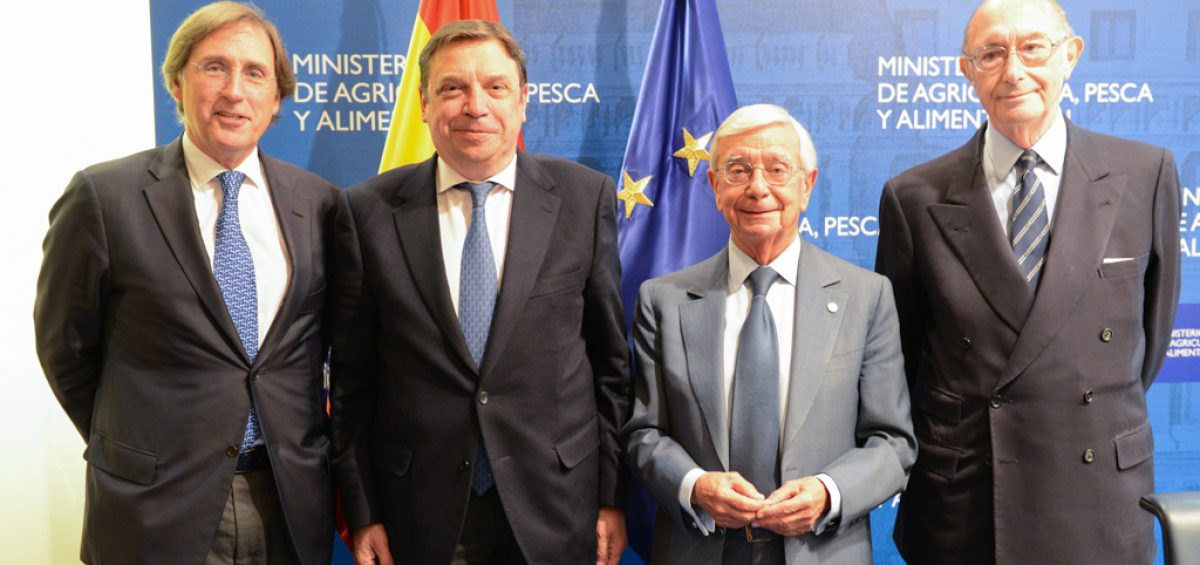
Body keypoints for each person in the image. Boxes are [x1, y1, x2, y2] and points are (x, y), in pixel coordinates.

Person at [875, 1, 1181, 563]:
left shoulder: (1146, 174)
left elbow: (1151, 337)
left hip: (1100, 500)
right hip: (966, 506)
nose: (1013, 71)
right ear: (968, 72)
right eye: (992, 54)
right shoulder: (913, 197)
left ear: (1071, 55)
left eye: (1033, 48)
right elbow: (903, 359)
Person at [33, 2, 339, 564]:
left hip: (289, 504)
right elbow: (66, 351)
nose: (234, 91)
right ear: (177, 82)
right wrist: (135, 448)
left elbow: (326, 349)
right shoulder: (104, 198)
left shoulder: (319, 203)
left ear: (277, 97)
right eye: (214, 67)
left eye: (255, 73)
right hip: (153, 509)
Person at [330, 19, 630, 565]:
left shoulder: (584, 199)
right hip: (418, 512)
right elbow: (352, 382)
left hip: (557, 504)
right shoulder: (367, 211)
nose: (475, 106)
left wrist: (611, 497)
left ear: (523, 100)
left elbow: (611, 366)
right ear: (424, 104)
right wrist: (363, 510)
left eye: (495, 86)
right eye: (453, 88)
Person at [624, 103, 916, 565]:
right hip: (697, 549)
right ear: (714, 187)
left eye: (778, 169)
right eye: (738, 170)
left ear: (808, 185)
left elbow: (893, 443)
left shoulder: (866, 297)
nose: (758, 188)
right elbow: (644, 433)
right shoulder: (663, 300)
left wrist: (828, 492)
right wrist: (695, 485)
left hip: (822, 551)